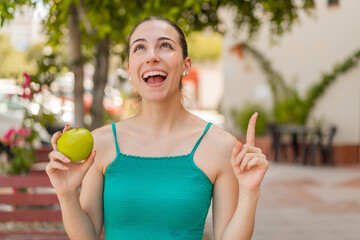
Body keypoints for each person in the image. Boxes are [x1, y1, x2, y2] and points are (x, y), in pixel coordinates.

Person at [46, 16, 269, 240]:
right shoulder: (101, 143)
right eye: (140, 47)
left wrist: (250, 192)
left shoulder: (220, 146)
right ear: (130, 69)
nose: (152, 56)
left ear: (186, 65)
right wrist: (66, 194)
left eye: (165, 46)